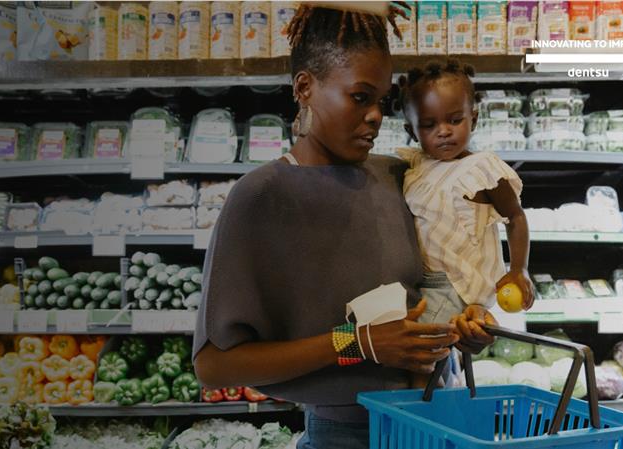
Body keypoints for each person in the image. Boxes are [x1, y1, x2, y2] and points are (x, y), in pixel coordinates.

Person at [193, 6, 494, 449]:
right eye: (360, 97)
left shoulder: (399, 176)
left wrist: (466, 327)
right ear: (305, 87)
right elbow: (215, 366)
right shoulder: (262, 196)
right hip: (345, 434)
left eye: (383, 102)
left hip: (434, 420)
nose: (375, 115)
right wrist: (359, 344)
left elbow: (438, 287)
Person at [396, 59, 535, 388]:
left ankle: (422, 418)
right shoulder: (417, 166)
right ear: (411, 130)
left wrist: (519, 270)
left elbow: (515, 217)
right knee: (420, 350)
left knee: (419, 351)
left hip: (455, 283)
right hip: (422, 281)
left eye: (455, 120)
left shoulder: (482, 169)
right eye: (428, 125)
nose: (443, 131)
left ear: (474, 116)